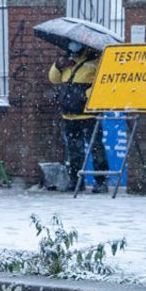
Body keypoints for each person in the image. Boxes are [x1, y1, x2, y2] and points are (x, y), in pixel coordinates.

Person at [49, 41, 108, 192]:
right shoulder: (67, 60)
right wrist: (58, 65)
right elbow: (53, 78)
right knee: (74, 150)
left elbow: (101, 84)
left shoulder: (96, 61)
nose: (72, 48)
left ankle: (101, 181)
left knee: (96, 148)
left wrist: (85, 96)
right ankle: (75, 180)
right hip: (69, 115)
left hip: (88, 115)